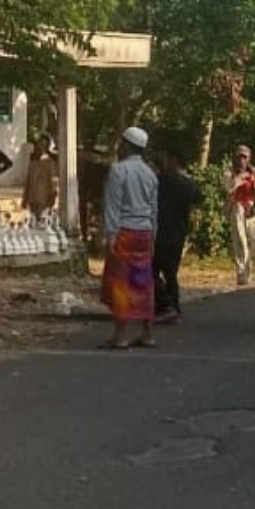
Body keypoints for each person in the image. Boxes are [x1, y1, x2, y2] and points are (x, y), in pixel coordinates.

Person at [100, 126, 160, 349]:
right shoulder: (150, 173)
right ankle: (148, 332)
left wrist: (110, 236)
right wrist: (153, 236)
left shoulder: (119, 170)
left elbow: (113, 207)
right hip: (144, 233)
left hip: (125, 232)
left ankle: (121, 335)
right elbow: (154, 209)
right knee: (143, 281)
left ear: (126, 145)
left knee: (121, 283)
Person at [154, 152, 203, 324]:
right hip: (178, 233)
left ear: (174, 161)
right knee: (171, 273)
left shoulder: (161, 180)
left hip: (159, 232)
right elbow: (198, 198)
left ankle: (166, 305)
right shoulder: (187, 183)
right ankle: (174, 307)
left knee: (151, 271)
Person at [224, 145, 255, 285]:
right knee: (240, 242)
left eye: (244, 157)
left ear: (249, 158)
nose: (241, 160)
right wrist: (240, 178)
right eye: (239, 156)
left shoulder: (254, 172)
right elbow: (229, 188)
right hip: (236, 208)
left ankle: (247, 264)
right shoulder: (230, 172)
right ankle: (242, 274)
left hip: (251, 210)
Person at [22, 134, 59, 220]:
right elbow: (28, 181)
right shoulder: (33, 162)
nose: (40, 147)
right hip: (32, 199)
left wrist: (52, 197)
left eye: (43, 145)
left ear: (47, 147)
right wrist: (25, 198)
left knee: (43, 222)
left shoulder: (50, 163)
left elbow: (53, 182)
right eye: (39, 144)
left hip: (44, 200)